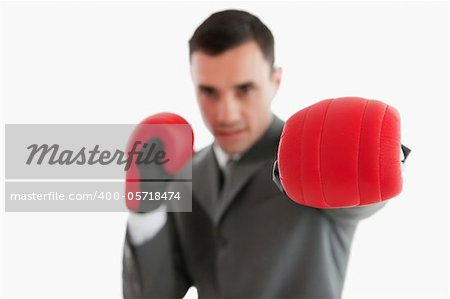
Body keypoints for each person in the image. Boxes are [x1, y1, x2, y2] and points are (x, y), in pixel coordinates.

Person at [122, 9, 387, 298]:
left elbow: (360, 196)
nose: (226, 114)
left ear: (275, 80)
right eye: (209, 91)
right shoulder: (184, 174)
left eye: (244, 89)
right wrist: (145, 212)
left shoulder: (311, 156)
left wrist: (379, 153)